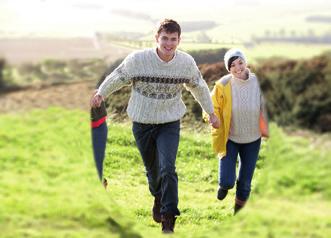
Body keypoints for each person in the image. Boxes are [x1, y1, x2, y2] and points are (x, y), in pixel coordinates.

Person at [90, 19, 220, 233]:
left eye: (173, 39)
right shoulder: (138, 60)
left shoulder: (185, 63)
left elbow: (199, 87)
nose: (169, 44)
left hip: (169, 122)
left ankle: (169, 220)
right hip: (142, 123)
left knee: (168, 168)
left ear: (179, 40)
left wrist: (211, 112)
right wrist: (101, 93)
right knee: (153, 172)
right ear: (156, 39)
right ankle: (158, 197)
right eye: (165, 39)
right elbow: (118, 77)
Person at [209, 48, 269, 214]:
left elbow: (268, 107)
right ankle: (224, 185)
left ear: (245, 62)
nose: (237, 67)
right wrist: (212, 119)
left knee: (245, 183)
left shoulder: (258, 82)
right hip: (230, 138)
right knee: (228, 181)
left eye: (240, 62)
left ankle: (238, 213)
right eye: (232, 65)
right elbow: (210, 106)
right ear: (229, 68)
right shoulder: (223, 85)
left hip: (253, 139)